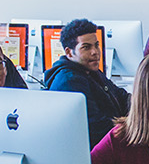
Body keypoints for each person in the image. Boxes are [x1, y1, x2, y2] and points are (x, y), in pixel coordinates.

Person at [42, 18, 130, 146]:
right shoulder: (70, 81)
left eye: (96, 45)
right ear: (69, 52)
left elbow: (120, 96)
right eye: (86, 47)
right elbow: (97, 127)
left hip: (111, 143)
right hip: (95, 152)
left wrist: (143, 105)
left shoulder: (89, 70)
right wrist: (133, 123)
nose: (95, 52)